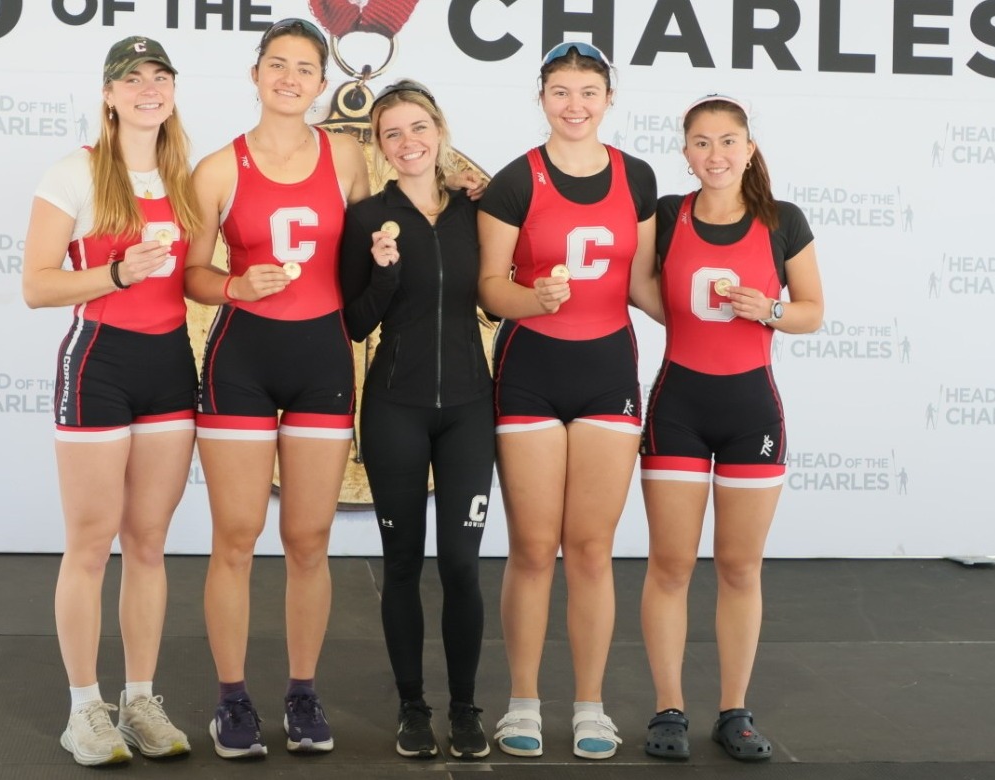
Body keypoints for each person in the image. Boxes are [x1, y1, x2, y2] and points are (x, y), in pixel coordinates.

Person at [181, 17, 369, 759]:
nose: (289, 78)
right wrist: (232, 283)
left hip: (321, 355)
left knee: (309, 539)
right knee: (234, 537)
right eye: (276, 65)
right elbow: (193, 273)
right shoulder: (218, 168)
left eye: (303, 68)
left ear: (322, 85)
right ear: (255, 74)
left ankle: (301, 693)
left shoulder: (346, 156)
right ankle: (230, 700)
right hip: (242, 360)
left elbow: (369, 243)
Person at [476, 42, 660, 761]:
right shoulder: (514, 181)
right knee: (531, 548)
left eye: (587, 91)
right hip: (529, 370)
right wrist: (532, 297)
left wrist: (715, 311)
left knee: (589, 549)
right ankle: (522, 702)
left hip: (607, 368)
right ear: (541, 96)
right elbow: (490, 288)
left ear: (607, 99)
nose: (574, 105)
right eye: (560, 91)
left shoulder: (635, 177)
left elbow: (643, 284)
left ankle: (591, 706)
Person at [22, 36, 200, 767]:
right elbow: (37, 285)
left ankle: (140, 700)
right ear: (109, 94)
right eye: (133, 78)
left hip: (168, 366)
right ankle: (83, 709)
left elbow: (197, 276)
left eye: (159, 76)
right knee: (92, 545)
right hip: (97, 363)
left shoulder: (185, 175)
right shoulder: (77, 171)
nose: (147, 88)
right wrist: (117, 273)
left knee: (150, 544)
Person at [638, 94, 824, 763]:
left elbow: (811, 312)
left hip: (752, 411)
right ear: (684, 152)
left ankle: (733, 711)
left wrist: (768, 309)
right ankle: (667, 708)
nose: (713, 155)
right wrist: (684, 320)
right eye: (700, 142)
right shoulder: (664, 215)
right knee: (670, 564)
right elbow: (635, 283)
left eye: (726, 141)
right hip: (678, 407)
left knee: (740, 567)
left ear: (747, 148)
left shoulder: (781, 222)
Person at [338, 79, 494, 761]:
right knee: (401, 562)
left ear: (439, 129)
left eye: (417, 127)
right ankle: (412, 708)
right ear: (379, 145)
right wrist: (383, 273)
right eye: (391, 133)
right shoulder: (367, 215)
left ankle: (464, 709)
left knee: (460, 564)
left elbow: (498, 292)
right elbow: (355, 320)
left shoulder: (477, 210)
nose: (407, 142)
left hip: (468, 408)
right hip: (394, 406)